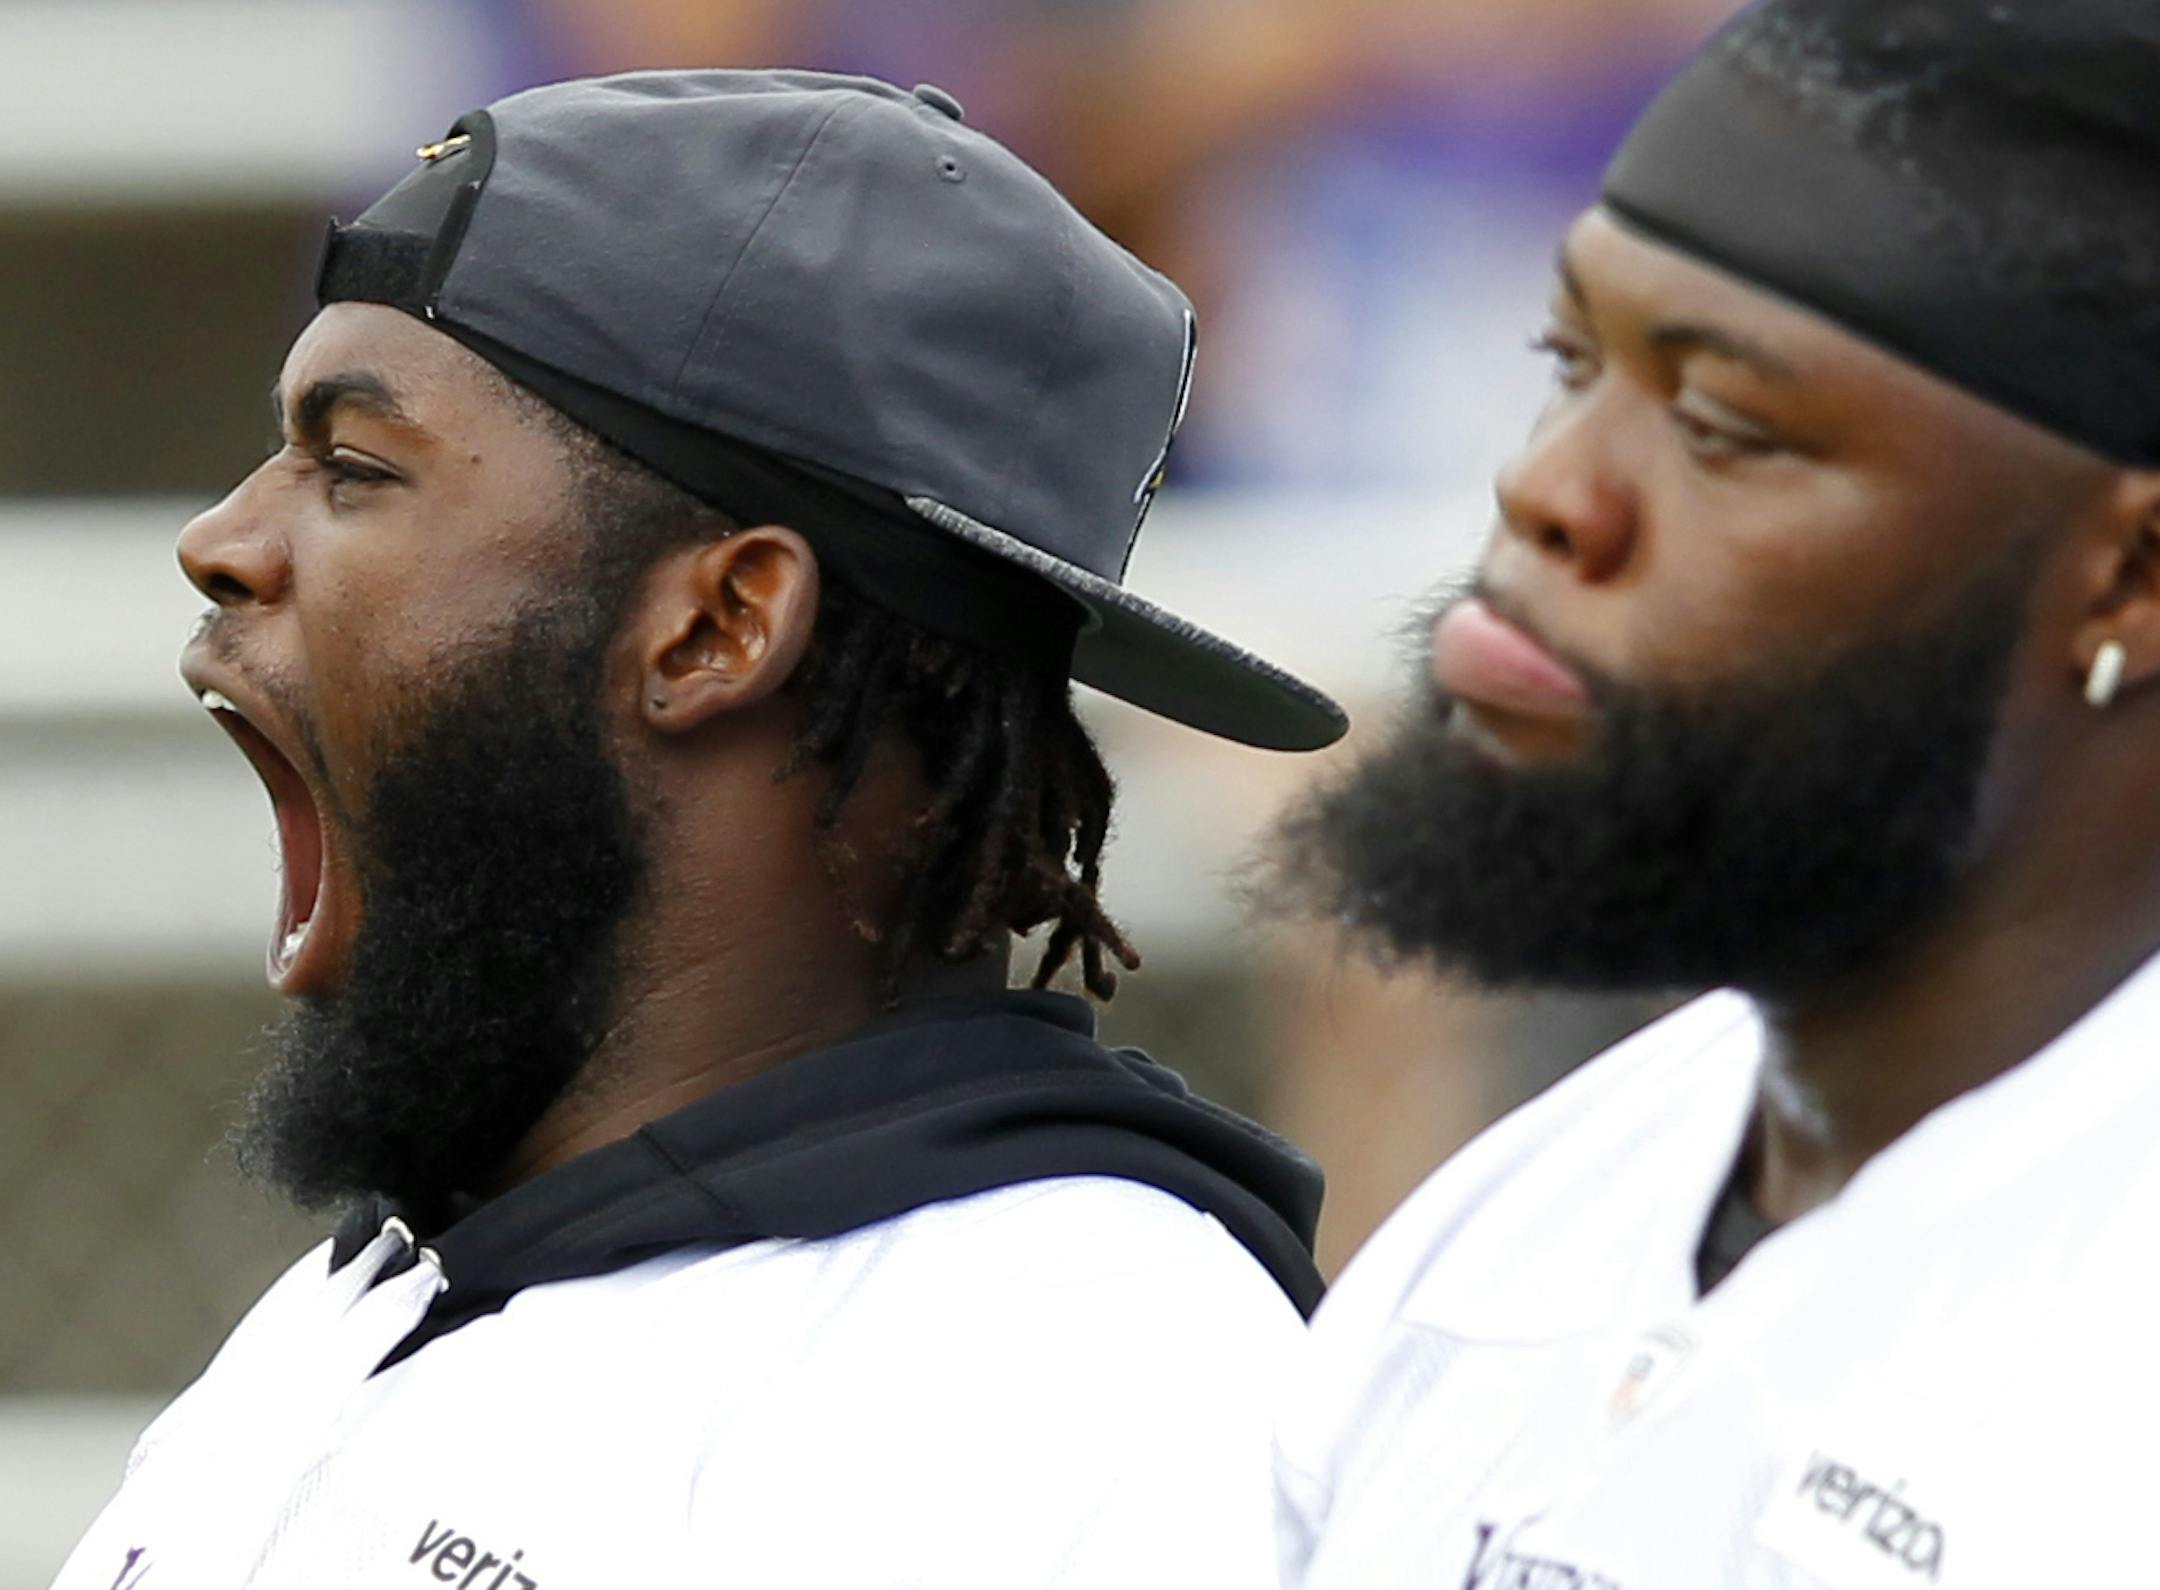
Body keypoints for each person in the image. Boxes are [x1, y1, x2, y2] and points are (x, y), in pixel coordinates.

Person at [53, 69, 1346, 1590]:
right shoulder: (375, 1296)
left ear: (719, 625)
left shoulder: (1079, 1393)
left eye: (352, 465)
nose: (221, 540)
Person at [1270, 2, 2160, 1583]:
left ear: (2133, 577)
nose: (1549, 489)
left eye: (1725, 428)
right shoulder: (1517, 1220)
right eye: (1571, 364)